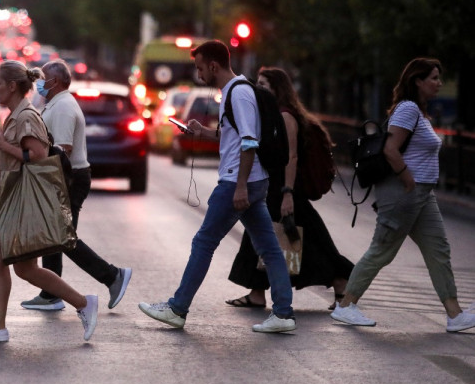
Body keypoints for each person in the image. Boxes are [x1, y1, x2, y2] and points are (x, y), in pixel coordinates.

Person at [138, 40, 296, 333]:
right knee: (270, 249)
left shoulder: (239, 93)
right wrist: (204, 132)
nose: (198, 75)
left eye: (200, 68)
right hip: (251, 181)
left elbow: (249, 141)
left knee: (204, 243)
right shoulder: (233, 92)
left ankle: (177, 308)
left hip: (240, 181)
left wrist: (239, 188)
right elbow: (234, 135)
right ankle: (284, 314)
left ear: (214, 65)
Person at [331, 58, 475, 332]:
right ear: (417, 81)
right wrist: (408, 179)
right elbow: (390, 149)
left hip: (423, 194)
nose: (439, 83)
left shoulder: (419, 113)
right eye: (433, 78)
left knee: (438, 250)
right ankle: (346, 305)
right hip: (404, 191)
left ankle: (455, 315)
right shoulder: (407, 109)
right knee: (383, 250)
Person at [0, 60, 99, 342]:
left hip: (21, 199)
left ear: (12, 86)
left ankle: (83, 303)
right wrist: (4, 141)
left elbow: (37, 155)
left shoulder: (26, 115)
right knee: (7, 262)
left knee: (17, 265)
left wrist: (3, 146)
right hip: (11, 195)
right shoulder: (17, 114)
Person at [226, 67, 353, 310]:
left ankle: (341, 280)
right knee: (270, 237)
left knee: (297, 239)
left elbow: (291, 157)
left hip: (284, 189)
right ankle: (257, 292)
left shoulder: (285, 116)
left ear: (277, 89)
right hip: (276, 187)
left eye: (264, 84)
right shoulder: (273, 114)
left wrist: (287, 193)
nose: (258, 88)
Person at [19, 60, 131, 311]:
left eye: (42, 78)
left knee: (61, 237)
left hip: (68, 178)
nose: (38, 82)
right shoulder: (56, 104)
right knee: (54, 236)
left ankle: (112, 276)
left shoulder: (63, 107)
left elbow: (62, 150)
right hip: (63, 177)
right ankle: (50, 293)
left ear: (55, 82)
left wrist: (28, 158)